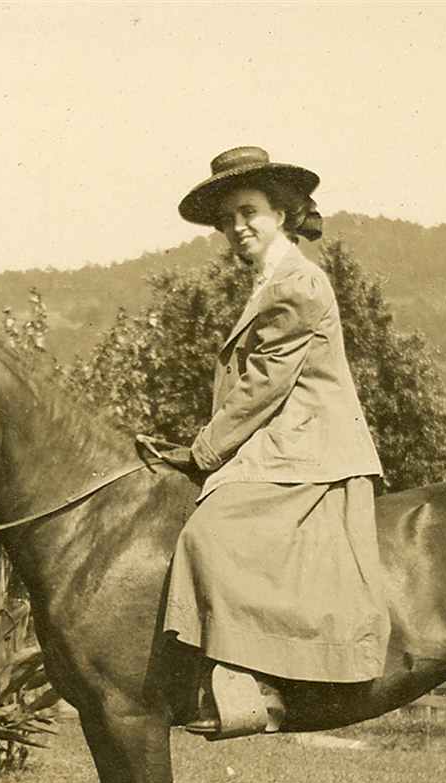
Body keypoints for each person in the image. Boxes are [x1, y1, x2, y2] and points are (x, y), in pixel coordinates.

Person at [161, 146, 390, 738]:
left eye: (249, 212)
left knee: (211, 533)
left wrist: (203, 452)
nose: (238, 228)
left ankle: (253, 685)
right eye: (227, 220)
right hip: (283, 441)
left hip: (308, 446)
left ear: (283, 213)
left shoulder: (296, 283)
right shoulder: (272, 280)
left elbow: (265, 384)